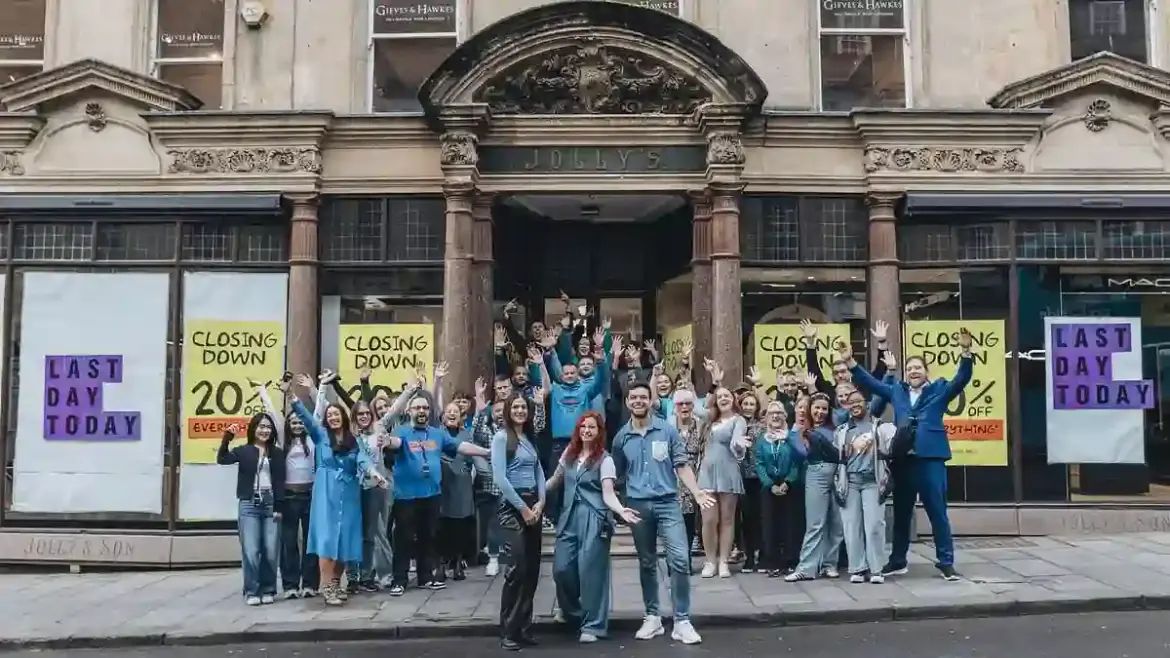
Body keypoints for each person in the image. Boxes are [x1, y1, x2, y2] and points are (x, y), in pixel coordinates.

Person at [844, 326, 974, 582]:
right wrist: (851, 363)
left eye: (918, 368)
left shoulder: (940, 389)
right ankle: (898, 561)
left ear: (927, 372)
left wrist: (966, 352)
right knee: (902, 513)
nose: (914, 371)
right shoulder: (898, 391)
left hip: (930, 459)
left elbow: (962, 378)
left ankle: (946, 562)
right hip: (903, 459)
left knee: (937, 511)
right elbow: (871, 384)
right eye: (910, 368)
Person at [612, 380, 712, 645]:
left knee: (680, 560)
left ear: (650, 400)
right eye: (633, 397)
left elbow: (681, 465)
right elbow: (616, 475)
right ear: (627, 402)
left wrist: (697, 491)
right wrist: (617, 505)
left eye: (643, 397)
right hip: (637, 505)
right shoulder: (621, 437)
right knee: (646, 562)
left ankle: (682, 620)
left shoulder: (667, 431)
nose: (638, 401)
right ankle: (652, 617)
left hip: (668, 503)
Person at [288, 375, 387, 606]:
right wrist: (291, 395)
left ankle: (336, 582)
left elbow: (363, 460)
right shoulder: (320, 435)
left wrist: (375, 474)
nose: (332, 417)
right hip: (326, 493)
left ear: (343, 417)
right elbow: (304, 416)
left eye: (336, 414)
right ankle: (327, 587)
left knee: (345, 540)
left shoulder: (354, 441)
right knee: (327, 540)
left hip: (350, 492)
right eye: (329, 415)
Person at [545, 411, 641, 643]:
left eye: (592, 427)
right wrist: (532, 495)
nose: (586, 430)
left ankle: (593, 626)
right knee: (561, 569)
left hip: (594, 517)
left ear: (599, 432)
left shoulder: (604, 459)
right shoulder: (569, 453)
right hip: (569, 517)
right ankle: (573, 613)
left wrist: (620, 510)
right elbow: (554, 482)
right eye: (583, 427)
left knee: (591, 573)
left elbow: (608, 492)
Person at [385, 391, 491, 596]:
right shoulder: (402, 431)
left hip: (432, 494)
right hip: (406, 496)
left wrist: (486, 452)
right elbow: (395, 444)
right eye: (417, 408)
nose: (422, 411)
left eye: (425, 408)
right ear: (409, 411)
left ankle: (425, 577)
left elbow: (461, 446)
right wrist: (387, 441)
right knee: (404, 538)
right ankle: (399, 580)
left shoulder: (436, 434)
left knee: (429, 536)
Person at [536, 334, 614, 526]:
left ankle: (587, 514)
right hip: (558, 443)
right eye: (566, 373)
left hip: (581, 442)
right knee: (555, 480)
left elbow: (601, 380)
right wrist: (548, 353)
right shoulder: (555, 389)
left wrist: (602, 362)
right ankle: (550, 516)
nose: (570, 375)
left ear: (578, 374)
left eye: (573, 373)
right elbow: (548, 376)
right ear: (562, 376)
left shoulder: (586, 390)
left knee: (583, 478)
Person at [492, 391, 548, 651]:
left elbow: (539, 472)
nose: (519, 411)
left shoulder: (530, 439)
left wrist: (541, 502)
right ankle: (508, 630)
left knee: (533, 570)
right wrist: (524, 509)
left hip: (533, 505)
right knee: (517, 568)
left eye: (523, 407)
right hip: (512, 508)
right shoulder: (502, 438)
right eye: (515, 407)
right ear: (508, 410)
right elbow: (501, 479)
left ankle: (524, 627)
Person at [255, 381, 318, 599]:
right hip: (290, 497)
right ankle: (291, 585)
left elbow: (318, 411)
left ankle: (310, 584)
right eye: (293, 421)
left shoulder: (313, 439)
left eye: (300, 420)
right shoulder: (284, 441)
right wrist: (263, 393)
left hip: (311, 496)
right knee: (289, 543)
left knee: (311, 543)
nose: (298, 424)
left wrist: (316, 389)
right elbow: (272, 414)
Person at [217, 413, 286, 605]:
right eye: (261, 427)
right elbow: (222, 459)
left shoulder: (277, 453)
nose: (264, 430)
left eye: (268, 427)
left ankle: (268, 589)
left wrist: (279, 507)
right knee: (251, 549)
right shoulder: (245, 450)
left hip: (270, 502)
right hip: (249, 503)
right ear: (253, 429)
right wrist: (227, 437)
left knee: (271, 550)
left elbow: (280, 482)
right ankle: (252, 590)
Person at [833, 387, 896, 584]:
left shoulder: (879, 427)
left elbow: (891, 449)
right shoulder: (842, 431)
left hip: (872, 481)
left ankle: (876, 569)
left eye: (858, 401)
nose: (854, 405)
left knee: (875, 525)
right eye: (850, 403)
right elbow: (839, 458)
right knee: (852, 526)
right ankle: (858, 568)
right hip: (850, 481)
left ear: (867, 404)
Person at [696, 358, 750, 579]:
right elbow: (699, 409)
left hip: (728, 472)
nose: (724, 399)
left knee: (727, 519)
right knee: (709, 519)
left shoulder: (739, 420)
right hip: (707, 473)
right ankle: (709, 560)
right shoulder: (709, 419)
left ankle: (724, 561)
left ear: (733, 399)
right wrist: (714, 383)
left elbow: (738, 443)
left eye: (727, 396)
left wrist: (739, 445)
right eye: (720, 397)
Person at [786, 393, 843, 582]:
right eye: (816, 408)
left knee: (836, 523)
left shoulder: (834, 428)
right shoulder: (800, 431)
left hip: (838, 473)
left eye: (824, 409)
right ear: (810, 409)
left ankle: (829, 564)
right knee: (815, 523)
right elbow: (803, 453)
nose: (820, 412)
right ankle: (806, 568)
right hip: (816, 473)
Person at [755, 400, 807, 577]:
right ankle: (773, 561)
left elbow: (796, 461)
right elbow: (759, 463)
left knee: (790, 524)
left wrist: (788, 481)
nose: (775, 416)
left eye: (779, 412)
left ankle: (791, 560)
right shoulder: (762, 439)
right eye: (771, 413)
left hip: (789, 484)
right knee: (770, 524)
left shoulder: (791, 437)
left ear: (785, 416)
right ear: (766, 418)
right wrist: (769, 484)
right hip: (769, 485)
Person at [437, 401, 477, 583]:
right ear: (443, 416)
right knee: (443, 525)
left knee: (461, 526)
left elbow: (471, 460)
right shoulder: (438, 434)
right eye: (448, 411)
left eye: (456, 411)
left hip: (461, 483)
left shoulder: (466, 435)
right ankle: (442, 563)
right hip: (442, 484)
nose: (452, 414)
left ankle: (459, 563)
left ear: (461, 417)